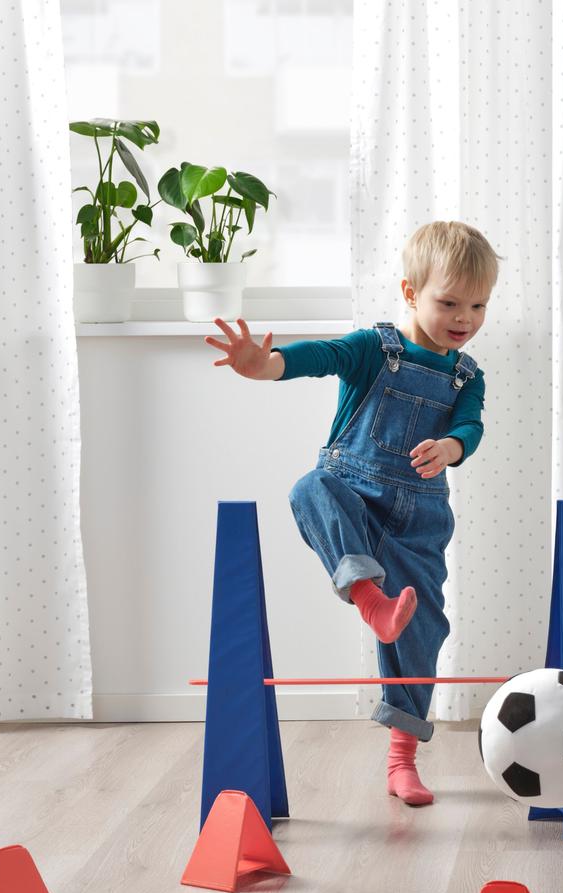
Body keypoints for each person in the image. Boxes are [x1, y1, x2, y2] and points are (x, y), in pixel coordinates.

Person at [207, 220, 498, 804]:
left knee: (422, 632)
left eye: (478, 305)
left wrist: (452, 447)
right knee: (309, 487)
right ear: (411, 293)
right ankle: (370, 599)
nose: (463, 317)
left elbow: (471, 423)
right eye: (449, 302)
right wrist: (266, 365)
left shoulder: (468, 375)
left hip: (419, 522)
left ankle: (402, 761)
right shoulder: (375, 349)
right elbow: (320, 356)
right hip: (355, 504)